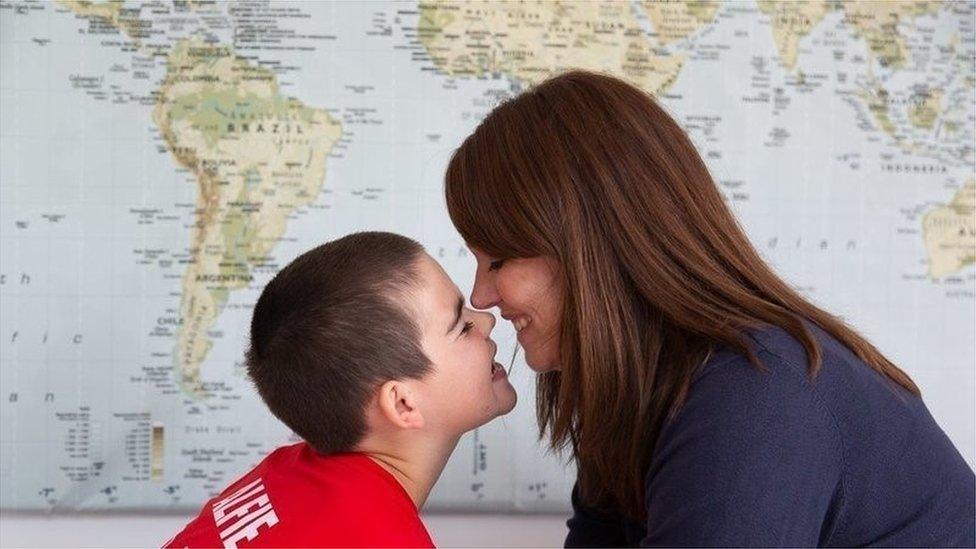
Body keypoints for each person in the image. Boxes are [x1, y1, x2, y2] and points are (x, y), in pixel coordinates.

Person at [444, 70, 975, 547]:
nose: (482, 296)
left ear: (593, 246)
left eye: (499, 260)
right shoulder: (640, 392)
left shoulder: (753, 397)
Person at [164, 232, 516, 548]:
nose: (486, 320)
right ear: (403, 403)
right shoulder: (380, 540)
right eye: (461, 326)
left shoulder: (281, 476)